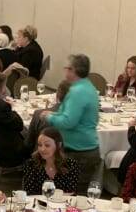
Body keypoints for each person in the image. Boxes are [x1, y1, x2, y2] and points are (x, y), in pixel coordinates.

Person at [46, 54, 100, 194]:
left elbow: (68, 122)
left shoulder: (78, 91)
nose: (65, 71)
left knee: (72, 196)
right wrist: (55, 115)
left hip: (79, 153)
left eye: (66, 68)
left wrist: (49, 117)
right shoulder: (88, 87)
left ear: (73, 70)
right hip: (86, 149)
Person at [22, 127, 80, 196]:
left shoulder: (71, 165)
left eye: (47, 145)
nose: (42, 149)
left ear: (58, 145)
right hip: (39, 205)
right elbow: (29, 194)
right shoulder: (31, 164)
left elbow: (71, 193)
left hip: (62, 205)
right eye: (40, 145)